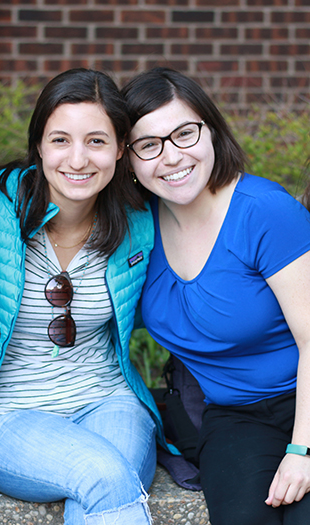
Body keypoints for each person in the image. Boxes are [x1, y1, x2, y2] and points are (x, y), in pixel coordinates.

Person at [0, 68, 178, 525]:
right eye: (61, 140)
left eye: (96, 141)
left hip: (109, 401)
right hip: (7, 415)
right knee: (103, 475)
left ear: (121, 149)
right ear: (38, 145)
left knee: (104, 485)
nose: (78, 160)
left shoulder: (139, 223)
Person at [122, 67, 310, 525]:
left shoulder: (264, 213)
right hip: (232, 416)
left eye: (184, 133)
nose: (171, 157)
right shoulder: (136, 229)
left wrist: (302, 450)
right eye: (149, 145)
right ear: (127, 159)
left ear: (211, 130)